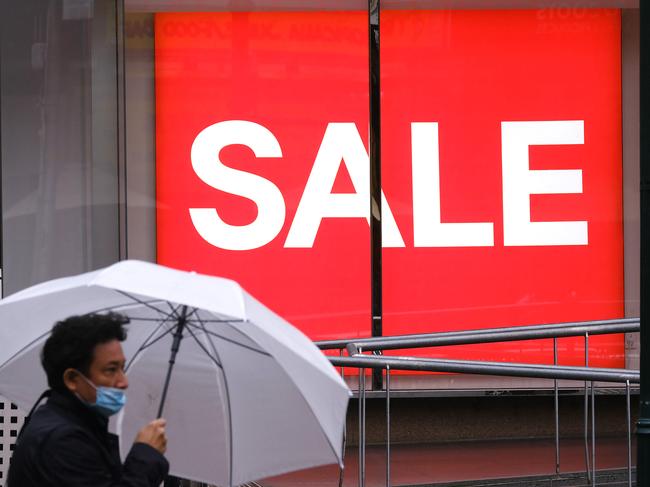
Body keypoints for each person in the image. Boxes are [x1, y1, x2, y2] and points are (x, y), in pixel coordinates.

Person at [7, 312, 170, 486]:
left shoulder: (76, 426)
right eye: (111, 370)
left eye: (122, 368)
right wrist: (145, 456)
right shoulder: (63, 441)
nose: (124, 382)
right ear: (72, 379)